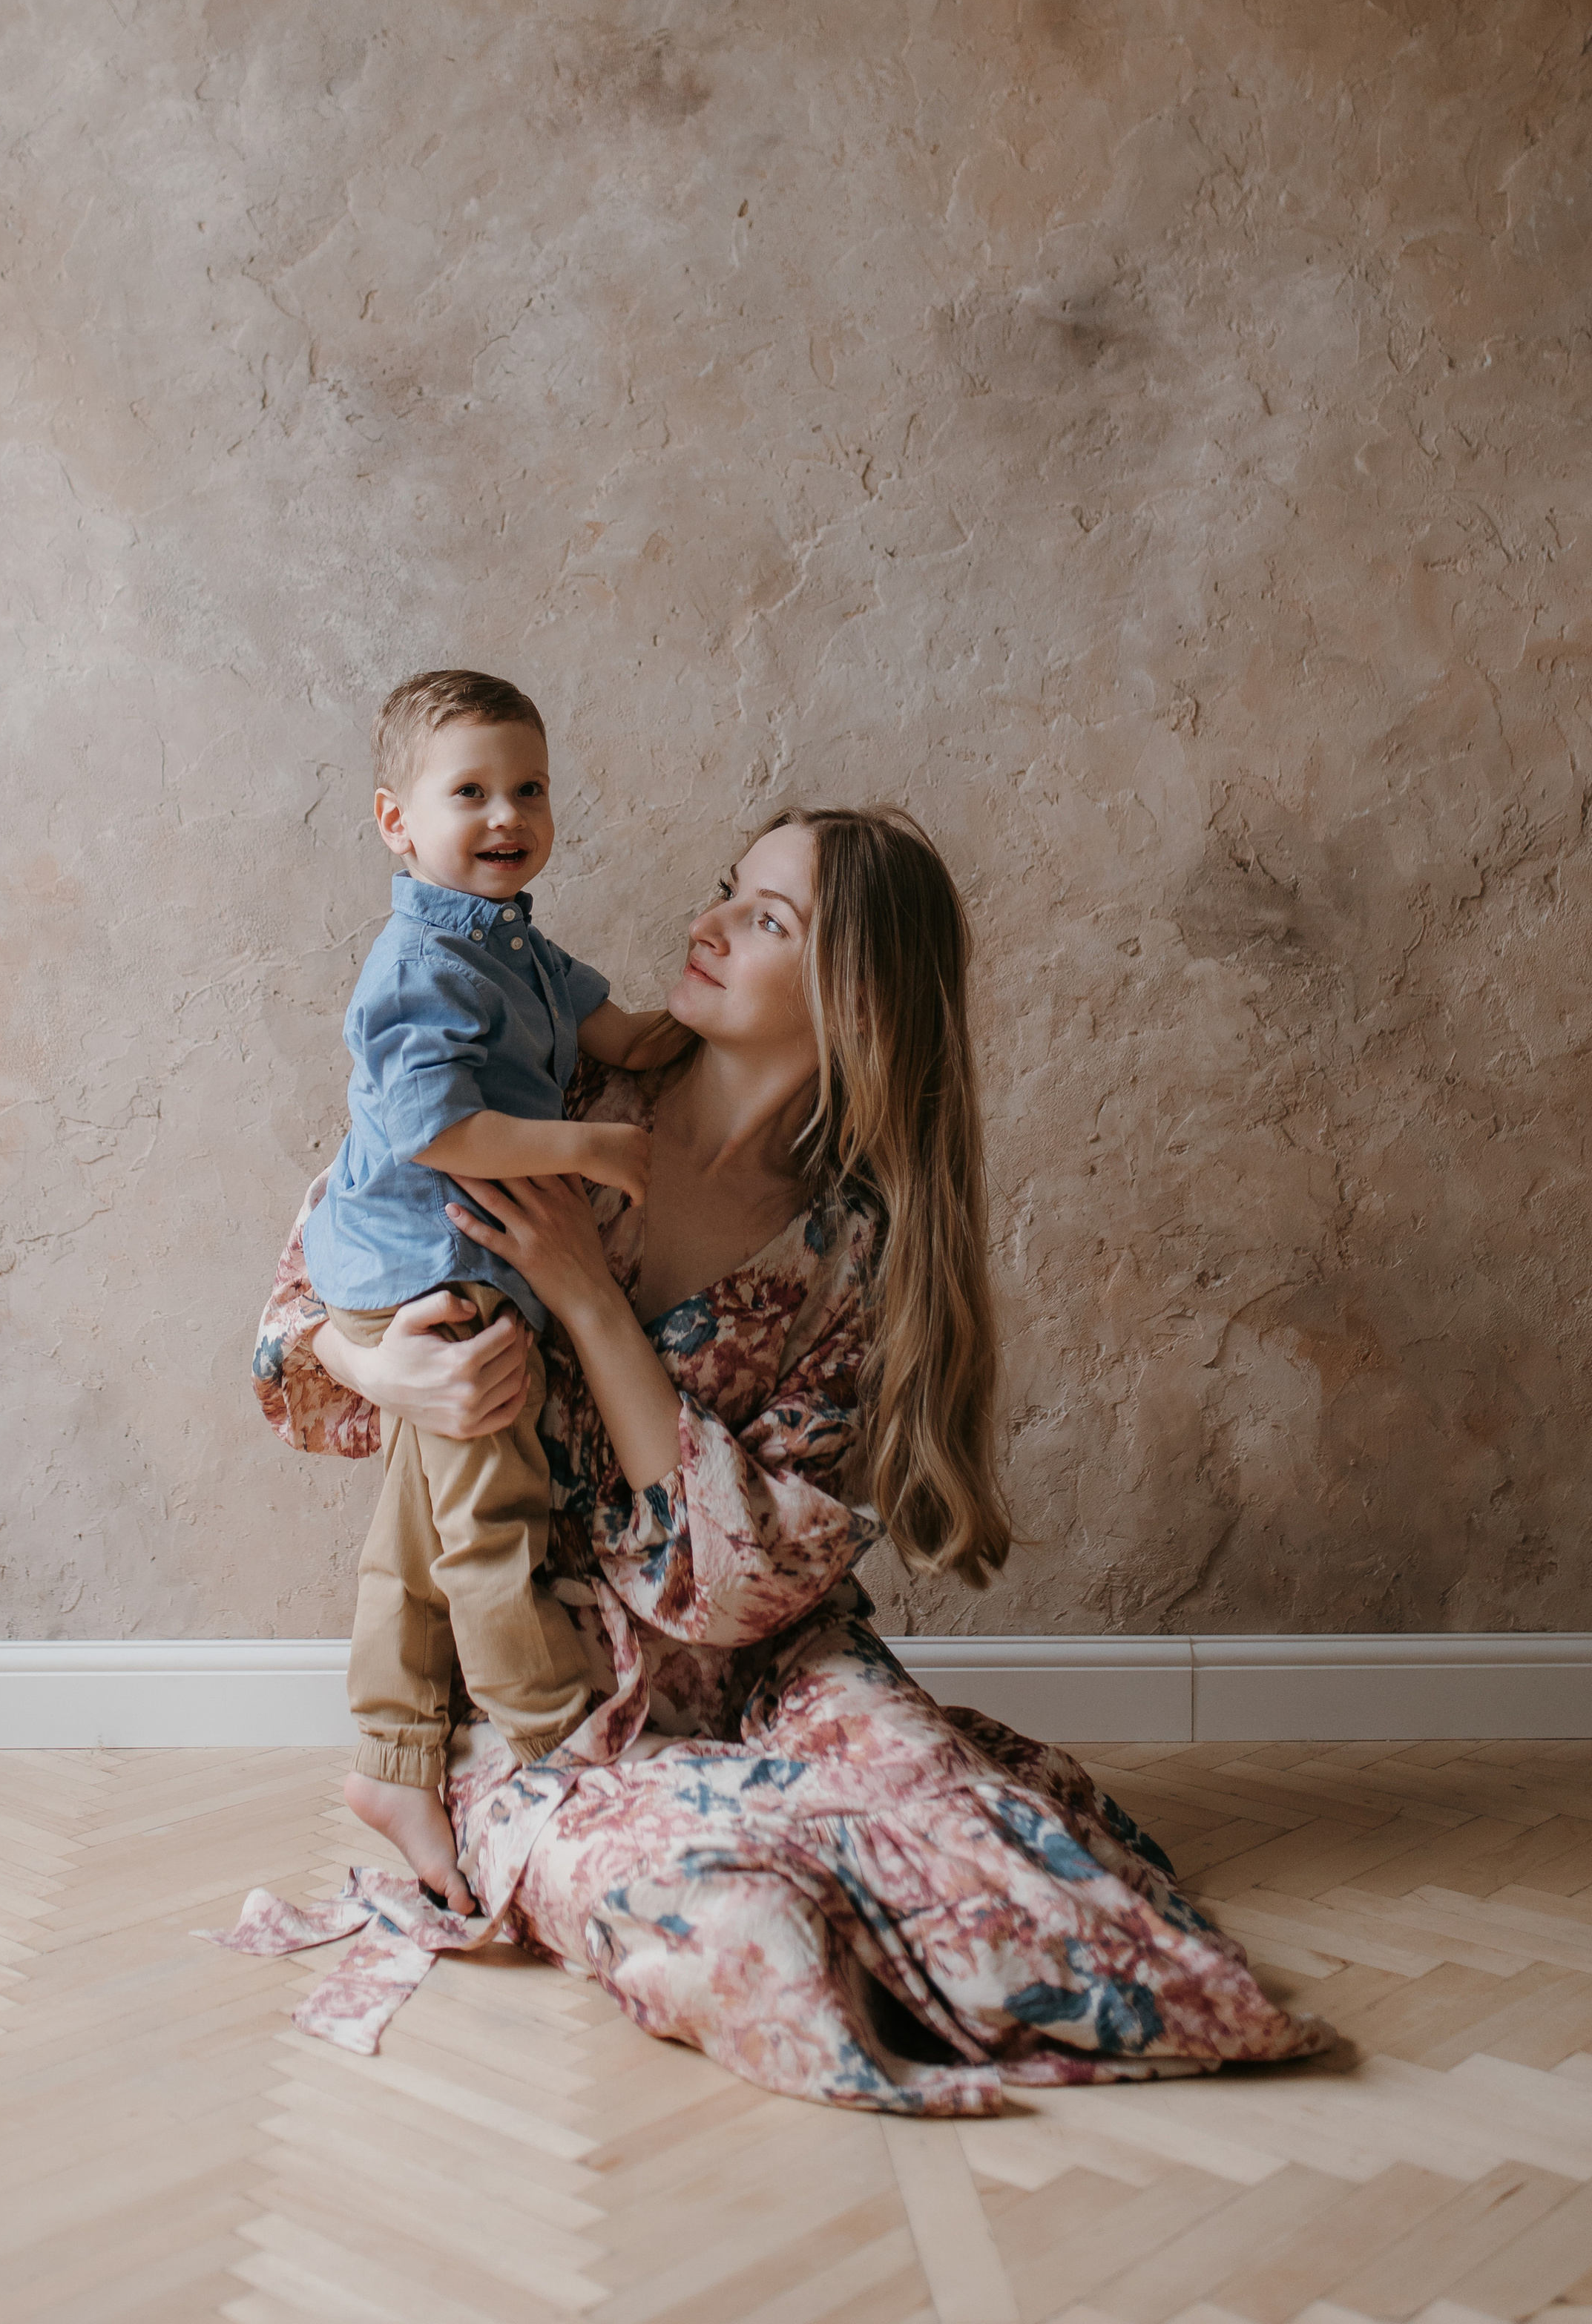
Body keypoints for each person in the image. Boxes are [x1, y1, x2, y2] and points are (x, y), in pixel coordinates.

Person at [247, 804, 1331, 2110]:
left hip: (769, 1664)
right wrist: (378, 1366)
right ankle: (753, 1884)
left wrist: (588, 1298)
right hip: (538, 1685)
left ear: (853, 1001)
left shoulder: (852, 1251)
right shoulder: (550, 1093)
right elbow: (306, 1299)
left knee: (963, 1829)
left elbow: (748, 1586)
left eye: (765, 919)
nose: (705, 924)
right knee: (728, 1908)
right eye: (729, 889)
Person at [305, 668, 675, 1912]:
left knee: (416, 1530)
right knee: (489, 1514)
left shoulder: (513, 943)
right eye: (470, 792)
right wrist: (587, 1147)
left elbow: (620, 1032)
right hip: (420, 1274)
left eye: (530, 788)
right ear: (396, 823)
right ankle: (557, 1737)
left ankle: (392, 1759)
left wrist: (701, 1020)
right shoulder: (420, 965)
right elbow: (439, 1129)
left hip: (454, 1261)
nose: (507, 814)